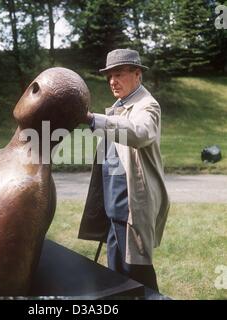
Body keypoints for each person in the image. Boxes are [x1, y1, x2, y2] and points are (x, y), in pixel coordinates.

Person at [78, 48, 170, 291]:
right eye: (109, 76)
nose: (112, 81)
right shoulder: (121, 105)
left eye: (118, 74)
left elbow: (139, 133)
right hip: (113, 207)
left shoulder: (147, 105)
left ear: (137, 74)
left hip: (131, 205)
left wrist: (91, 119)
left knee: (136, 274)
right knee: (116, 274)